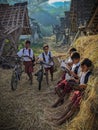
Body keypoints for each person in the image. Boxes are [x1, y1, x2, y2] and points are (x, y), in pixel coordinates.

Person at [53, 58, 92, 125]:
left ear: (88, 67)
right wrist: (74, 79)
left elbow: (88, 86)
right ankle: (60, 117)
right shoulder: (82, 73)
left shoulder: (90, 75)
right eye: (81, 67)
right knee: (70, 105)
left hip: (83, 94)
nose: (82, 69)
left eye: (84, 67)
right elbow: (78, 81)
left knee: (73, 107)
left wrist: (83, 85)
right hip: (78, 91)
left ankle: (62, 121)